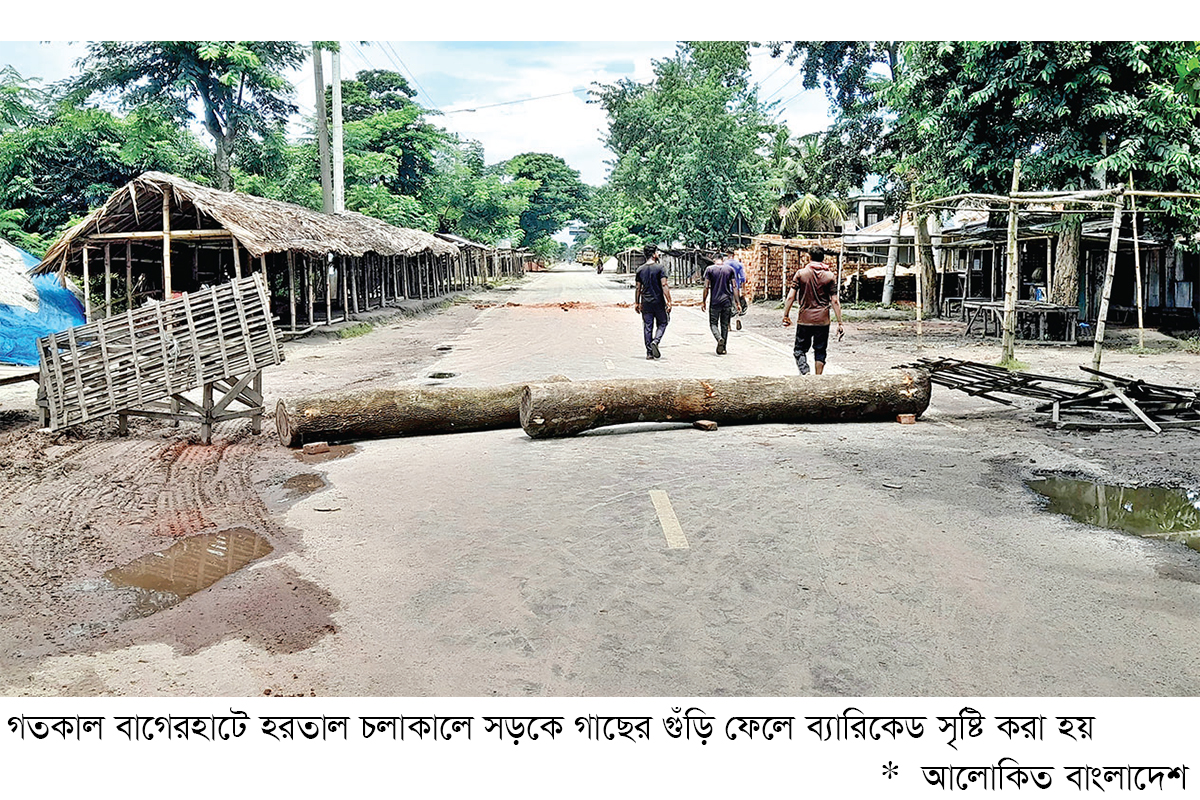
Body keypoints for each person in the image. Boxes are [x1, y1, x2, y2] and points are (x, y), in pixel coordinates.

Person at [782, 245, 844, 375]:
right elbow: (835, 301)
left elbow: (791, 297)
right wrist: (840, 323)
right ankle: (818, 379)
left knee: (799, 350)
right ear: (823, 258)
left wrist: (786, 315)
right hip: (823, 320)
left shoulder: (801, 274)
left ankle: (805, 372)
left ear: (809, 257)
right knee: (820, 350)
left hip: (804, 319)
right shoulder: (830, 276)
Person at [634, 245, 671, 359]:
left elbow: (638, 288)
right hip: (659, 302)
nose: (658, 254)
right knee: (663, 323)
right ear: (654, 254)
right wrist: (669, 301)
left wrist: (637, 303)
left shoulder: (640, 270)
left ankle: (649, 353)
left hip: (646, 302)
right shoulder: (660, 268)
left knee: (647, 327)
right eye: (657, 252)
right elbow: (664, 285)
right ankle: (656, 341)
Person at [701, 256, 738, 355]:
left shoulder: (710, 269)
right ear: (723, 260)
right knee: (724, 325)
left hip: (715, 301)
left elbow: (706, 286)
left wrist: (703, 301)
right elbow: (734, 286)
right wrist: (737, 302)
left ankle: (719, 338)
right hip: (727, 301)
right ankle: (724, 348)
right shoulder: (730, 270)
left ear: (714, 260)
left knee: (713, 324)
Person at [726, 250, 748, 330]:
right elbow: (743, 278)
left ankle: (728, 325)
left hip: (726, 287)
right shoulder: (739, 264)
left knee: (727, 306)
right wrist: (743, 290)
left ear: (728, 255)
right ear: (734, 255)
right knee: (737, 303)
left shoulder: (725, 264)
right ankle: (738, 318)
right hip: (736, 287)